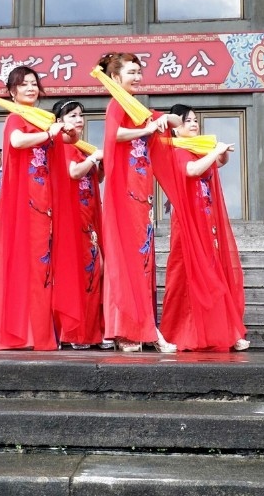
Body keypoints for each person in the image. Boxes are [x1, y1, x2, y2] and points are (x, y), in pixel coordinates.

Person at [0, 66, 79, 350]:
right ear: (12, 91)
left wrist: (70, 132)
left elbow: (67, 140)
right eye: (23, 84)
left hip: (47, 201)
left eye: (34, 83)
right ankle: (26, 333)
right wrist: (49, 134)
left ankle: (43, 332)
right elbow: (17, 142)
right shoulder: (17, 117)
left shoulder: (42, 118)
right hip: (26, 204)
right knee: (31, 267)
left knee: (45, 269)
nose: (30, 88)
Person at [97, 52, 181, 353]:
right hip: (124, 195)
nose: (137, 77)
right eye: (131, 72)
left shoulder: (136, 107)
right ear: (116, 78)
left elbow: (163, 120)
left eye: (139, 72)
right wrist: (148, 128)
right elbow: (113, 134)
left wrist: (167, 119)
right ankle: (127, 330)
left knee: (141, 264)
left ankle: (140, 329)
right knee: (127, 263)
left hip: (141, 196)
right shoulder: (117, 105)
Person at [152, 104, 248, 352]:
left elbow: (216, 164)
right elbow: (192, 171)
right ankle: (184, 332)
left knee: (213, 275)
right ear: (175, 130)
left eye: (195, 120)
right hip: (188, 223)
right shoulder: (177, 152)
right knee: (187, 278)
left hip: (206, 222)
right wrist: (215, 151)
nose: (193, 124)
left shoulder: (197, 149)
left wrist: (222, 154)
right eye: (187, 121)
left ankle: (226, 332)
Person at [51, 99, 106, 350]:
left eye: (80, 115)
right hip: (72, 218)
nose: (78, 119)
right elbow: (73, 173)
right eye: (72, 116)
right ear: (60, 121)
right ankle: (75, 332)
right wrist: (94, 158)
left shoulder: (84, 147)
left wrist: (99, 163)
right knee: (80, 273)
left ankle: (93, 331)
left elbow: (97, 176)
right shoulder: (64, 145)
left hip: (90, 215)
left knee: (95, 272)